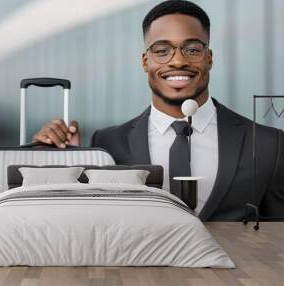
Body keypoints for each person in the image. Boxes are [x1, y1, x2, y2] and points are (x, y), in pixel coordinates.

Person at [33, 0, 284, 221]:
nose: (177, 61)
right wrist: (65, 161)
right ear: (146, 61)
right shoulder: (106, 144)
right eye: (162, 51)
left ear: (209, 58)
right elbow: (87, 222)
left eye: (193, 49)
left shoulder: (268, 145)